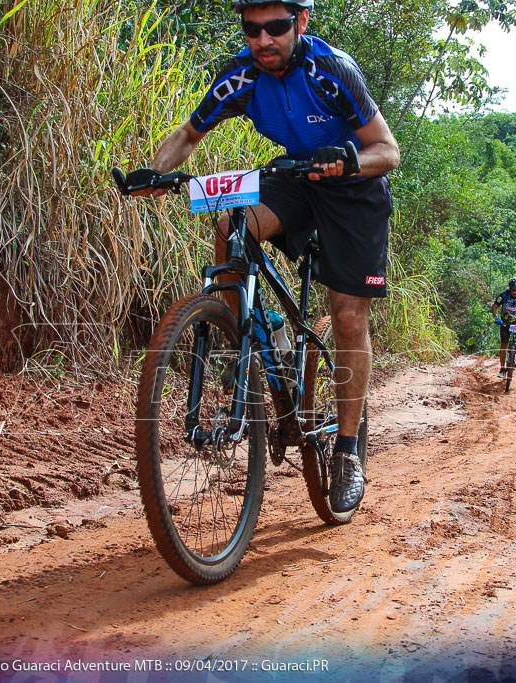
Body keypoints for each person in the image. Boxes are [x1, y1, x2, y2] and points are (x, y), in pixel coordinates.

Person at [122, 0, 400, 514]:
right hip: (294, 176)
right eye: (253, 29)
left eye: (276, 27)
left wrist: (347, 160)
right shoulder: (240, 76)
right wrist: (155, 173)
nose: (264, 39)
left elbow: (388, 150)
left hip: (352, 182)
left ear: (301, 22)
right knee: (230, 225)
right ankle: (244, 331)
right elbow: (187, 134)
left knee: (345, 314)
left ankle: (346, 452)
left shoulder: (332, 70)